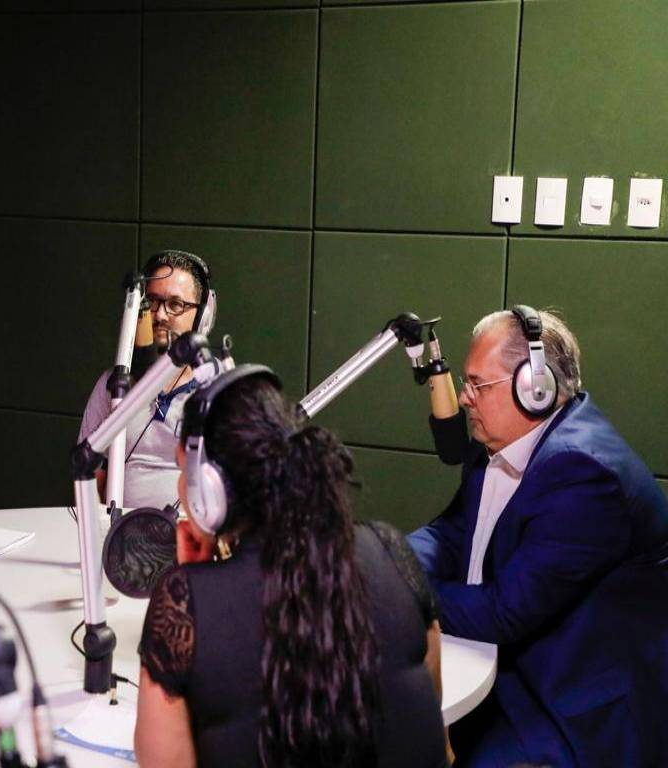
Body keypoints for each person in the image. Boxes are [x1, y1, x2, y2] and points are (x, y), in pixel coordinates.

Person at [135, 365, 447, 768]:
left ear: (210, 489)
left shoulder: (183, 603)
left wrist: (194, 588)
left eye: (184, 471)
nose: (182, 487)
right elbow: (429, 710)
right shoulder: (392, 550)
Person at [407, 307, 668, 767]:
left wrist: (402, 592)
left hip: (575, 711)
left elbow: (503, 611)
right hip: (521, 669)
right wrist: (391, 559)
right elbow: (451, 533)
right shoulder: (502, 445)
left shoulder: (582, 473)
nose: (464, 398)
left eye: (477, 385)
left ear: (535, 387)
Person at [78, 250, 219, 510]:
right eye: (152, 301)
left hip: (190, 533)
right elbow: (89, 478)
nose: (160, 315)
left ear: (203, 316)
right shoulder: (115, 385)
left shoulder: (221, 390)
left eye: (175, 304)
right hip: (120, 531)